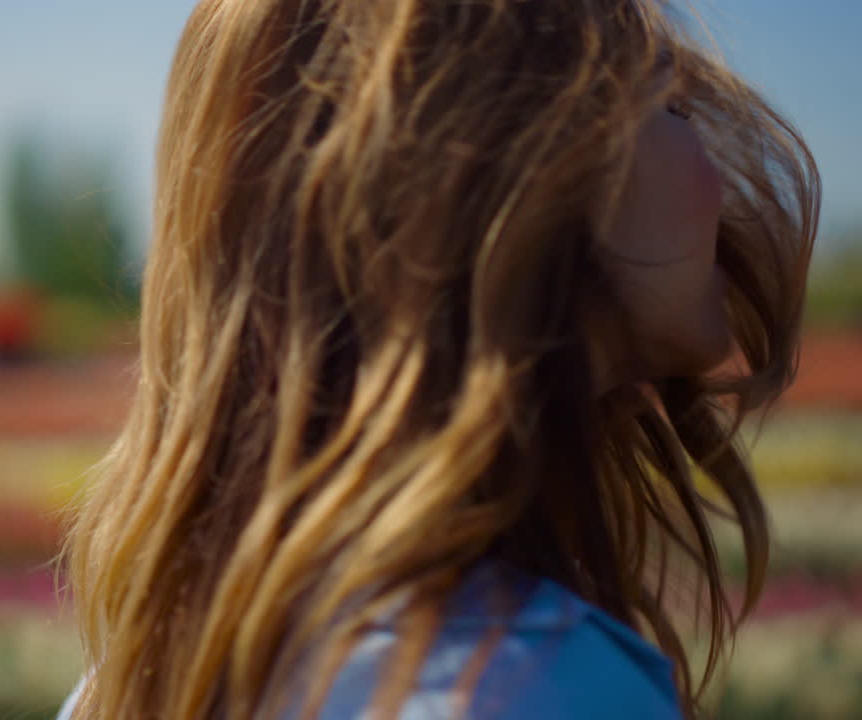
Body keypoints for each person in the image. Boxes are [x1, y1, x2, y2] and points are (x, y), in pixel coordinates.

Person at [56, 1, 819, 718]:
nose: (719, 158)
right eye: (672, 103)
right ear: (520, 172)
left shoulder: (134, 680)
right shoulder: (536, 685)